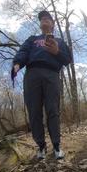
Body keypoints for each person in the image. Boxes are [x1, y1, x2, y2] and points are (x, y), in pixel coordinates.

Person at [11, 10, 72, 160]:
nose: (44, 20)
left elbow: (67, 59)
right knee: (34, 111)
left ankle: (57, 146)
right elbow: (23, 52)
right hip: (32, 74)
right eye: (42, 19)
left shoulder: (60, 41)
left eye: (47, 19)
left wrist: (57, 51)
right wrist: (17, 64)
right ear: (40, 24)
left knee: (53, 110)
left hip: (52, 74)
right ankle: (41, 146)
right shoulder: (32, 39)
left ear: (52, 24)